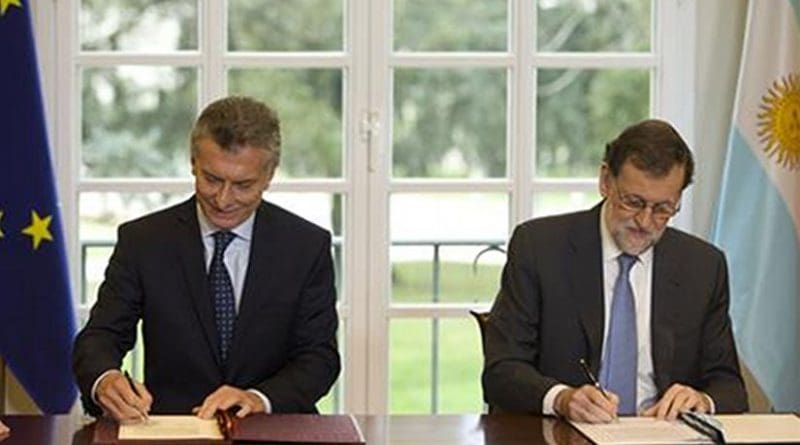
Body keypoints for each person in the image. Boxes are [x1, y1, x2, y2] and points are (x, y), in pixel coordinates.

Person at [73, 96, 340, 422]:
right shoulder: (143, 241)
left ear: (269, 175)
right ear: (192, 163)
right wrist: (105, 380)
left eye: (243, 185)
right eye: (212, 179)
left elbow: (318, 358)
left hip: (270, 428)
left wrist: (257, 399)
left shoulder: (305, 246)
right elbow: (100, 336)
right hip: (171, 429)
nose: (224, 199)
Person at [482, 119, 748, 423]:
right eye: (633, 202)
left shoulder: (703, 265)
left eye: (663, 209)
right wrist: (562, 399)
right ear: (606, 181)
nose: (645, 222)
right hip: (564, 434)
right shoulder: (540, 248)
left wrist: (701, 399)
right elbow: (501, 372)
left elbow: (730, 387)